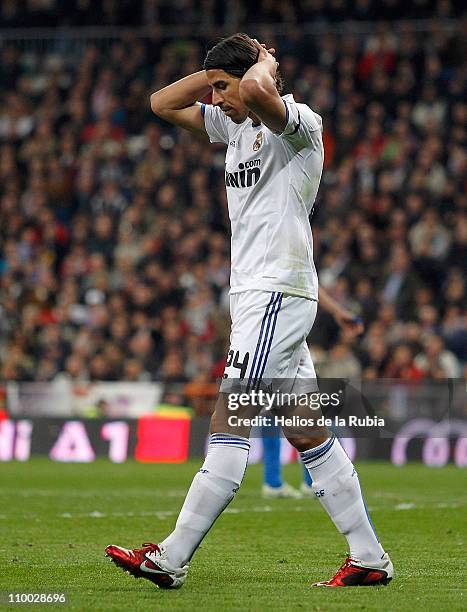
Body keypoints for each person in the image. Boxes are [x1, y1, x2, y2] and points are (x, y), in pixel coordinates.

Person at [106, 33, 393, 588]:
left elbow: (260, 90)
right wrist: (214, 73)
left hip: (275, 292)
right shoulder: (231, 125)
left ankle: (171, 557)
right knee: (306, 433)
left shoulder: (300, 126)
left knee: (229, 422)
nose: (213, 100)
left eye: (221, 88)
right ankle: (369, 559)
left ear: (258, 77)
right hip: (259, 296)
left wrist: (260, 65)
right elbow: (161, 104)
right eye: (211, 90)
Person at [261, 290, 364, 499]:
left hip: (290, 345)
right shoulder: (294, 280)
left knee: (284, 415)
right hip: (286, 343)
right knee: (285, 415)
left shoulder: (292, 282)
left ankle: (284, 481)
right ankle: (287, 481)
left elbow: (311, 285)